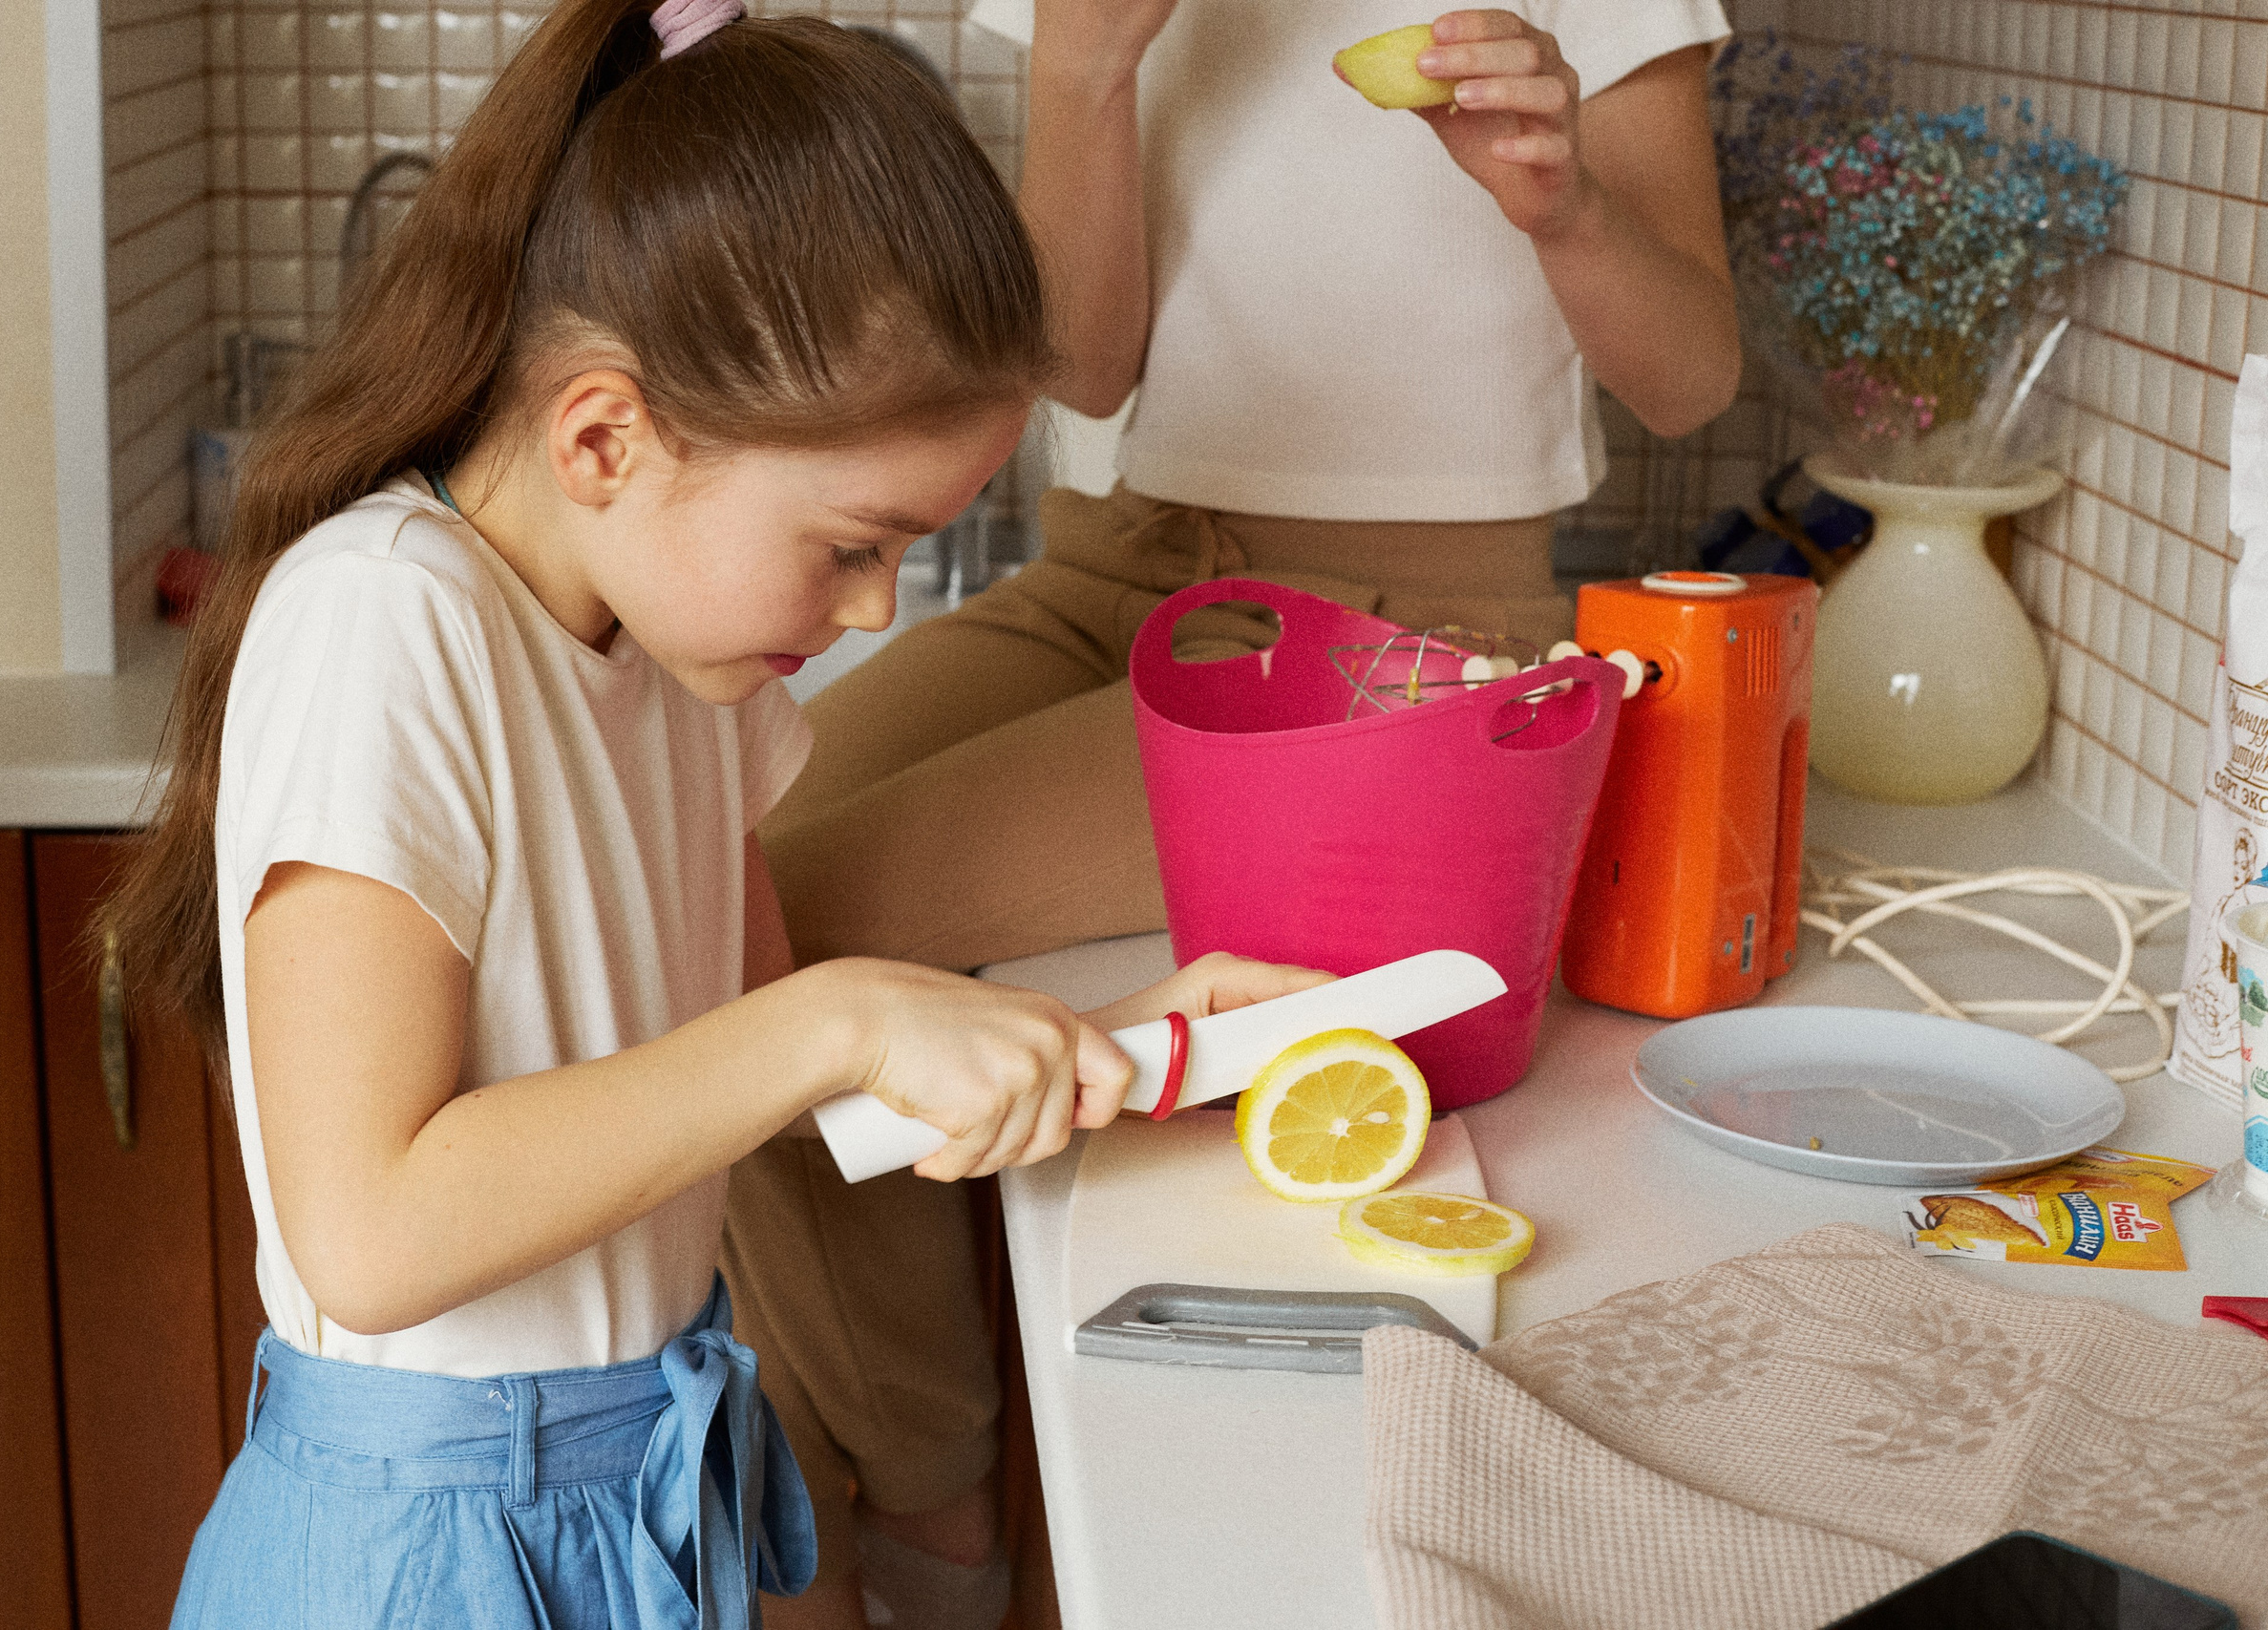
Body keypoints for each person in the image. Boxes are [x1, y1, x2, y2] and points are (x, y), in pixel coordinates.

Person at [99, 3, 1325, 1623]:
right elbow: (372, 1232)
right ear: (605, 436)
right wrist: (837, 1021)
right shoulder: (385, 625)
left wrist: (1120, 1043)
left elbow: (755, 1065)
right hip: (431, 1547)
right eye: (850, 544)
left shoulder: (683, 663)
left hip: (627, 1488)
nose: (879, 610)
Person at [723, 5, 1740, 1626]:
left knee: (778, 948)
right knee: (723, 917)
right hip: (1105, 567)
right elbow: (1078, 366)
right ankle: (915, 1504)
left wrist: (1567, 210)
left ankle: (921, 1533)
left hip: (1388, 632)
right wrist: (1082, 67)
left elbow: (1693, 378)